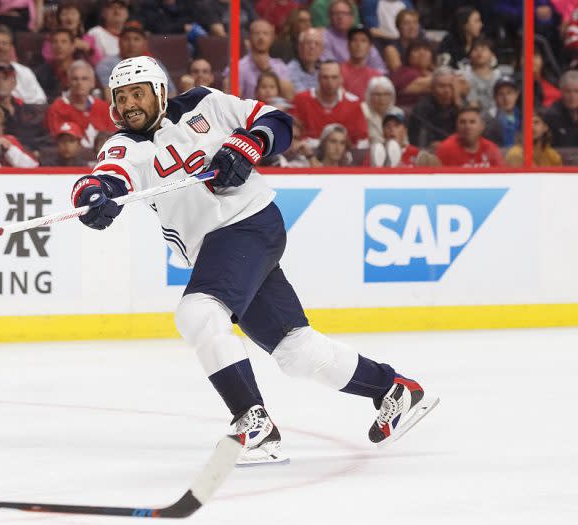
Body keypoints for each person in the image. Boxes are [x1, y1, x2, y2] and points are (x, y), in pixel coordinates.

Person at [70, 55, 438, 464]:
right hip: (217, 249)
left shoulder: (203, 103)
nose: (129, 105)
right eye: (121, 97)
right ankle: (395, 390)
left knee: (197, 311)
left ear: (159, 91)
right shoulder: (123, 145)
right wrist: (92, 197)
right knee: (298, 353)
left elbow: (276, 122)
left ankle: (253, 422)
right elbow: (106, 177)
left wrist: (249, 144)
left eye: (138, 93)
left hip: (249, 224)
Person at [291, 60, 369, 149]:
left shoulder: (353, 103)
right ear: (318, 78)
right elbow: (292, 133)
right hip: (307, 154)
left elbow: (362, 140)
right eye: (325, 77)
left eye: (334, 77)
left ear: (341, 79)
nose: (330, 82)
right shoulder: (301, 99)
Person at [46, 60, 116, 149]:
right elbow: (57, 144)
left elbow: (114, 137)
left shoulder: (104, 107)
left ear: (92, 83)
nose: (79, 83)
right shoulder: (57, 109)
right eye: (75, 79)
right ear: (68, 82)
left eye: (84, 79)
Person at [321, 0, 386, 73]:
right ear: (329, 17)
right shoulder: (324, 38)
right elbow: (329, 68)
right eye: (336, 13)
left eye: (345, 13)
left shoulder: (361, 36)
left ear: (352, 18)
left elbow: (380, 69)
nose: (340, 17)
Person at [436, 104, 504, 167]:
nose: (467, 126)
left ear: (482, 126)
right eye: (462, 122)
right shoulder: (445, 149)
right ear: (456, 126)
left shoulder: (492, 149)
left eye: (472, 122)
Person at [40, 1, 101, 66]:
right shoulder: (51, 37)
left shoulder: (88, 39)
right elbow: (48, 58)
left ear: (80, 19)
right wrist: (65, 49)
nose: (69, 18)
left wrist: (88, 50)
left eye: (73, 14)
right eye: (64, 14)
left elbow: (98, 62)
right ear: (59, 19)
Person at [340, 25, 384, 99]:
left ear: (370, 47)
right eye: (354, 40)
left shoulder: (376, 77)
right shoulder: (338, 71)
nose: (358, 44)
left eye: (363, 41)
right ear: (348, 45)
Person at [483, 75, 521, 148]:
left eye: (509, 93)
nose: (506, 98)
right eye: (501, 94)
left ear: (516, 94)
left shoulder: (523, 115)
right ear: (495, 97)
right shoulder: (488, 117)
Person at [543, 70, 578, 148]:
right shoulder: (551, 116)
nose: (572, 96)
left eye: (577, 91)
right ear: (561, 91)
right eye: (568, 91)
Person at [362, 75, 401, 144]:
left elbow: (404, 142)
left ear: (392, 96)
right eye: (377, 94)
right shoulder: (362, 111)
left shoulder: (397, 113)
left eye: (386, 94)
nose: (382, 99)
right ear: (369, 95)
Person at [287, 28, 323, 94]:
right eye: (308, 43)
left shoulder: (325, 69)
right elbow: (301, 96)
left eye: (317, 44)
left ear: (321, 50)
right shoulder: (289, 70)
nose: (312, 47)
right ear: (300, 47)